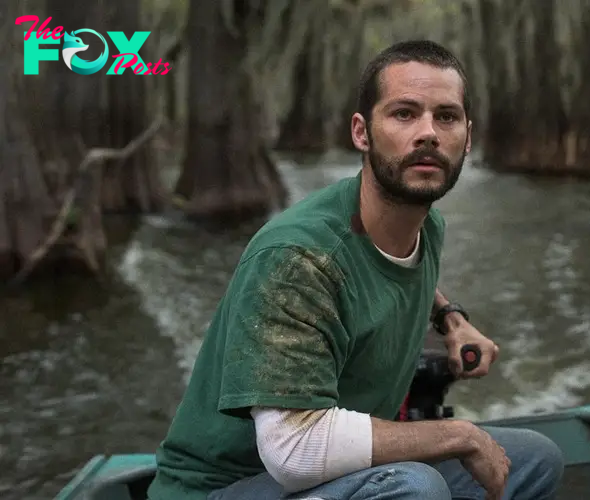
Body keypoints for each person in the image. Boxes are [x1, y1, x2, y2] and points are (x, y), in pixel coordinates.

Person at [146, 39, 564, 500]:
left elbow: (392, 270)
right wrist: (458, 435)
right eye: (404, 113)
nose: (427, 132)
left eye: (445, 117)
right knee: (413, 487)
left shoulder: (426, 225)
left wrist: (451, 319)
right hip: (225, 488)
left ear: (468, 137)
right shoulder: (296, 258)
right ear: (362, 133)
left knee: (535, 458)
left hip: (329, 477)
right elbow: (295, 450)